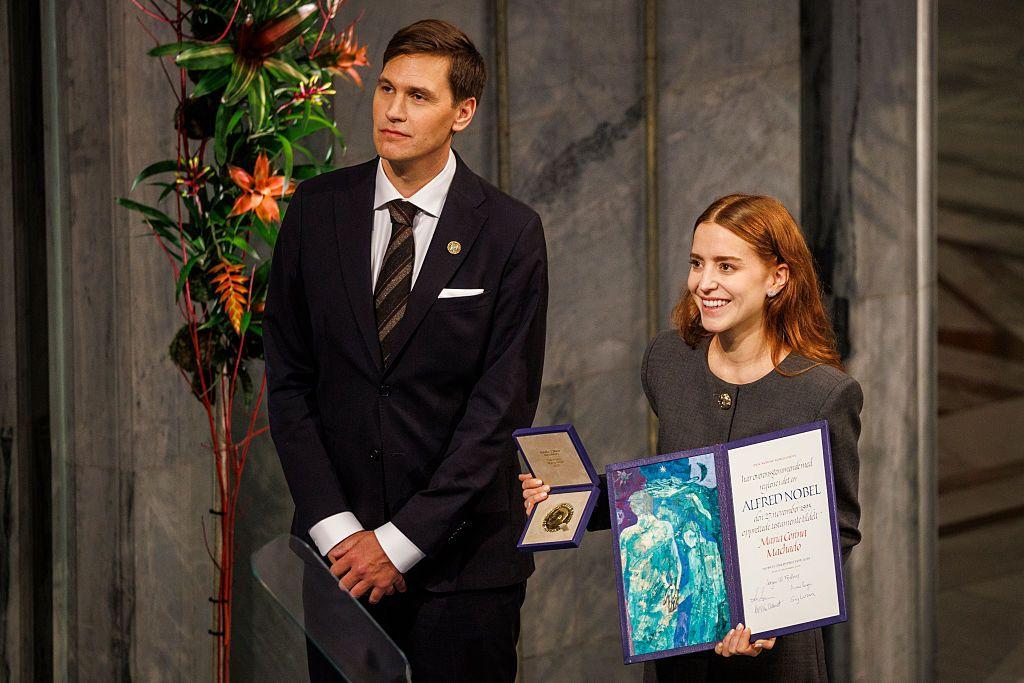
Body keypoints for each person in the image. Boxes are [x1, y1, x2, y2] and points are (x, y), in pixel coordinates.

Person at [265, 19, 548, 682]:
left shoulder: (510, 232)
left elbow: (499, 409)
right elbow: (288, 383)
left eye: (418, 96)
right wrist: (341, 536)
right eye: (386, 88)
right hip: (340, 569)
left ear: (464, 112)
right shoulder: (315, 211)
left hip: (463, 571)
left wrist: (397, 544)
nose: (393, 109)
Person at [521, 194, 862, 681]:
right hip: (675, 647)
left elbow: (840, 529)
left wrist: (776, 617)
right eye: (697, 263)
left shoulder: (825, 394)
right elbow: (672, 488)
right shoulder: (668, 360)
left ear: (777, 277)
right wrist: (574, 498)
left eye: (727, 266)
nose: (706, 283)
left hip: (772, 661)